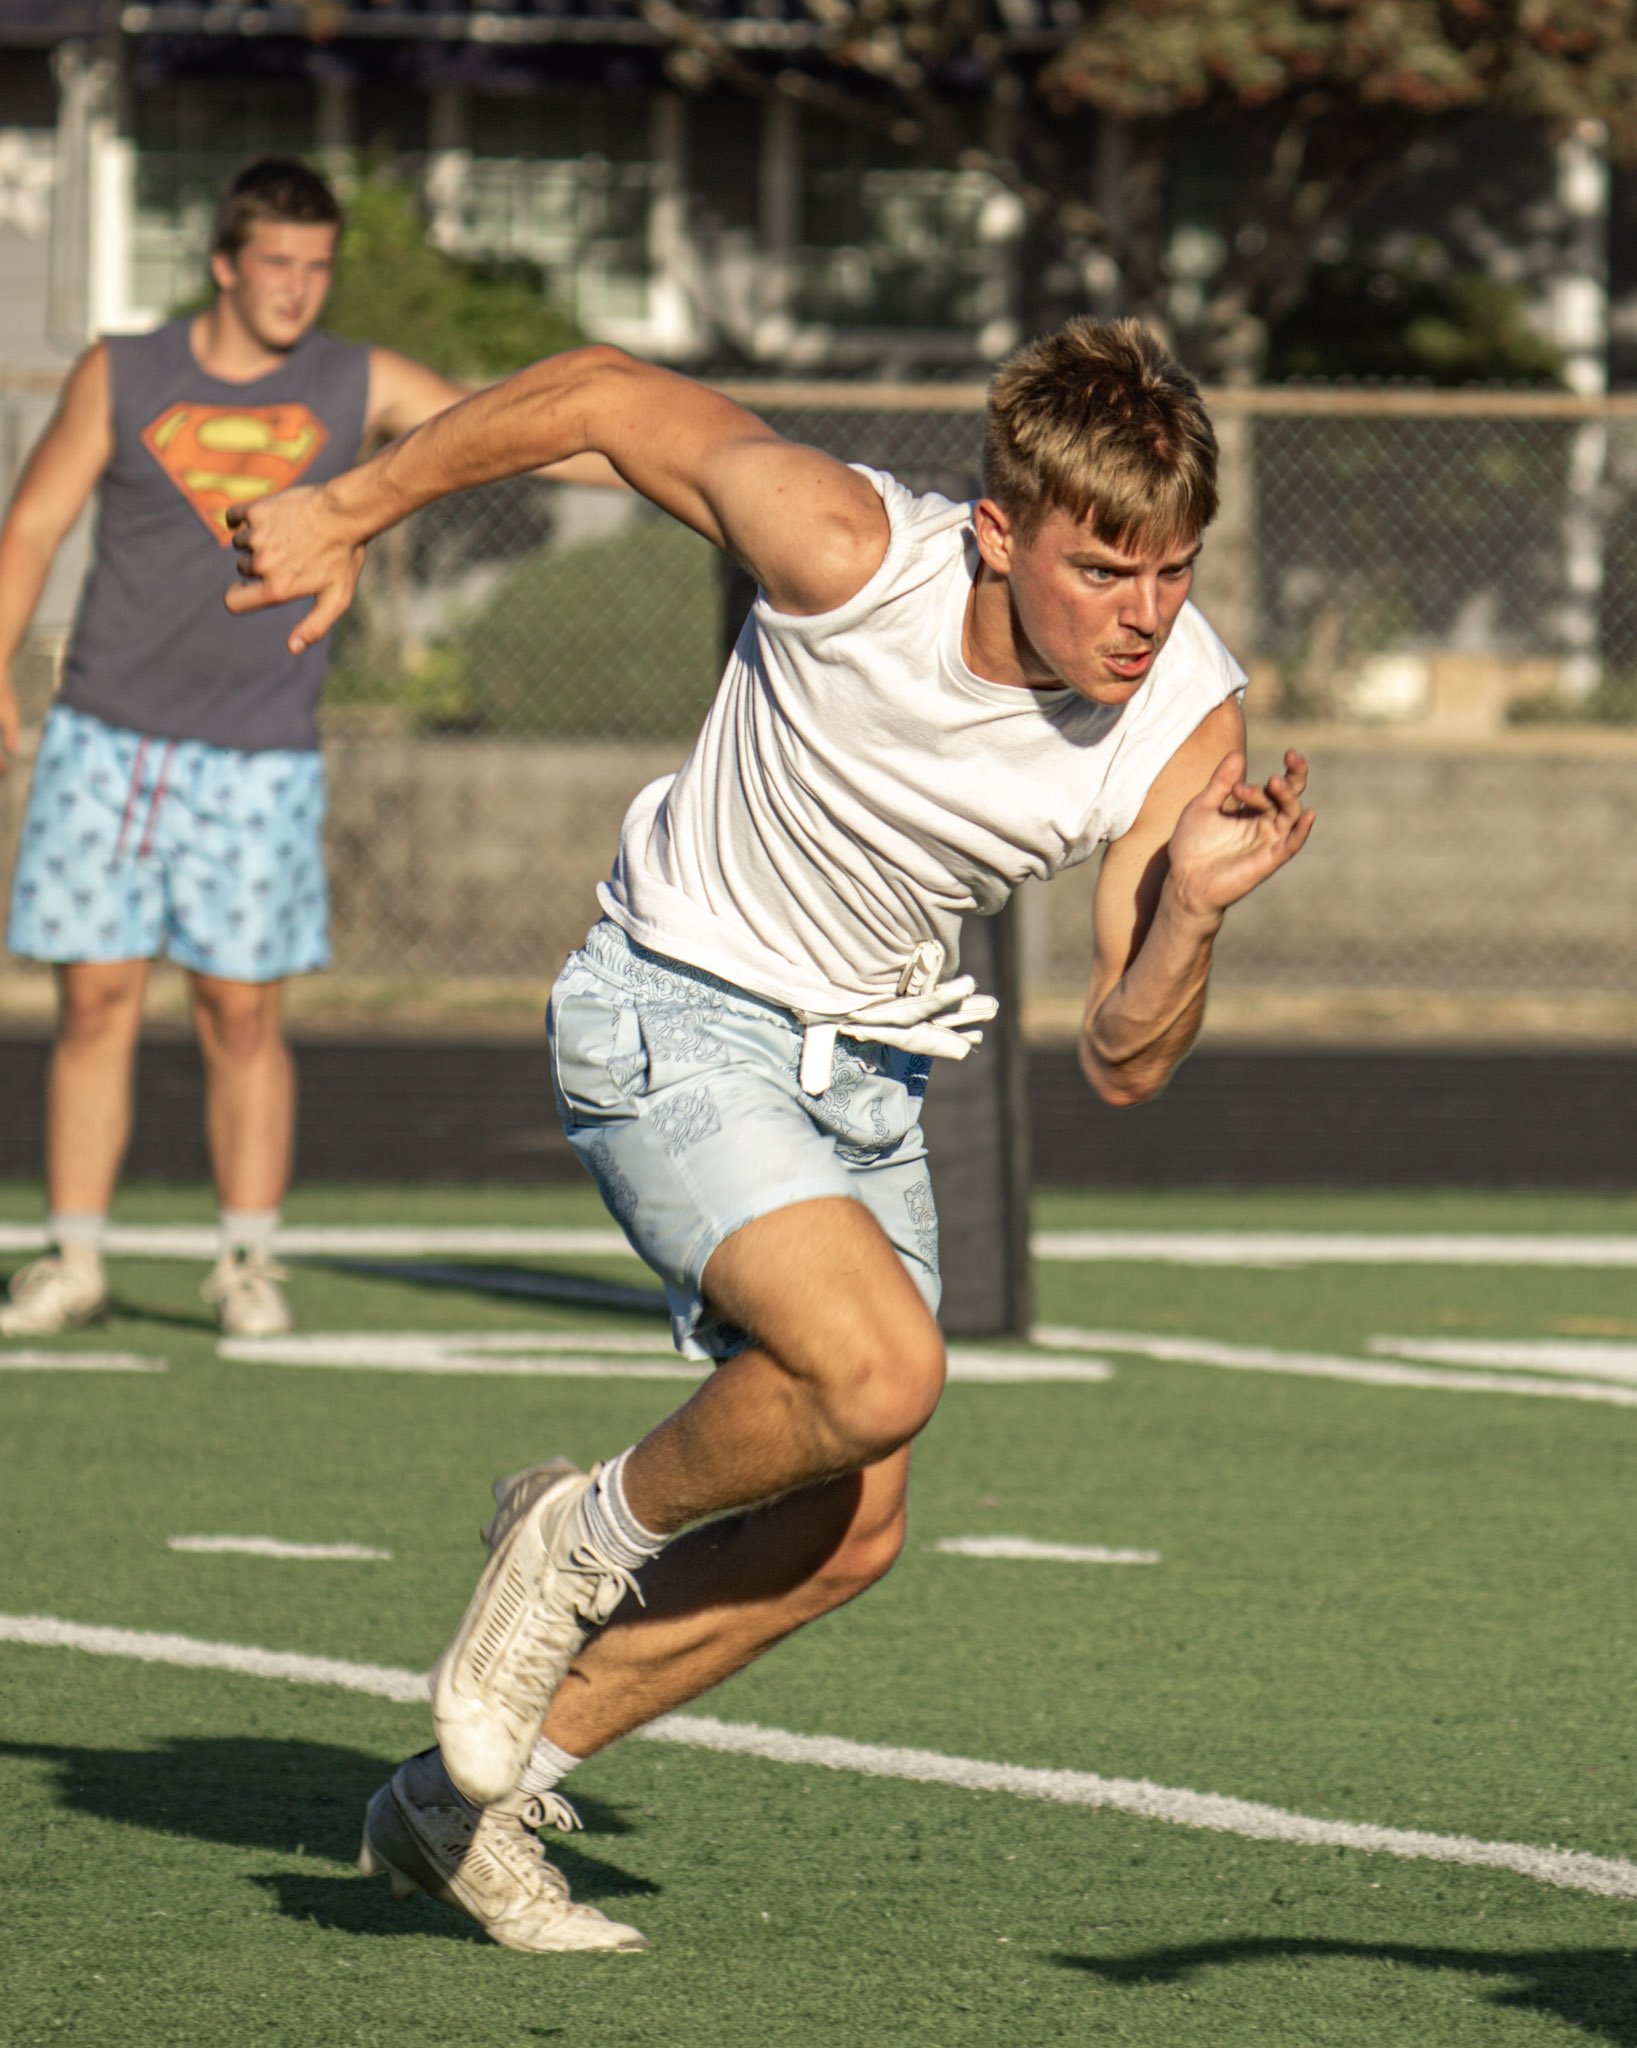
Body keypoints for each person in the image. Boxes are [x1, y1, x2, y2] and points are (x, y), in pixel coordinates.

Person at [225, 317, 1316, 1953]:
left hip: (870, 1075)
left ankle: (456, 1806)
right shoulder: (845, 546)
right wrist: (349, 509)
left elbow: (1119, 1055)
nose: (1142, 613)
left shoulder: (1185, 714)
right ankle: (572, 1533)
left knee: (843, 1522)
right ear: (1000, 531)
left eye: (1171, 569)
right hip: (673, 1009)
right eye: (1103, 568)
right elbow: (593, 392)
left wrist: (1194, 922)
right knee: (880, 1371)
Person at [0, 156, 610, 1339]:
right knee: (95, 1001)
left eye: (316, 266)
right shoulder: (123, 372)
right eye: (275, 262)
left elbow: (512, 434)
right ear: (225, 264)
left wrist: (668, 457)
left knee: (241, 1011)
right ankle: (72, 1256)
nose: (297, 287)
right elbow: (31, 523)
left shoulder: (355, 376)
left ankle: (244, 1262)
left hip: (259, 751)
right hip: (106, 734)